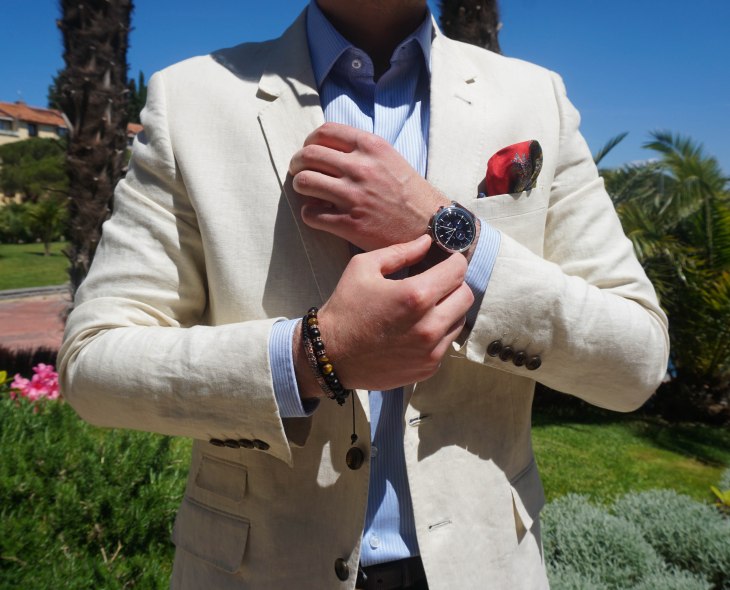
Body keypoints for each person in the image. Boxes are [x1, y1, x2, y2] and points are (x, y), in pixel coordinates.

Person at [58, 1, 669, 588]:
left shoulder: (536, 98)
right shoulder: (190, 99)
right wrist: (312, 356)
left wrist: (440, 226)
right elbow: (93, 363)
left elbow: (637, 360)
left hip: (484, 566)